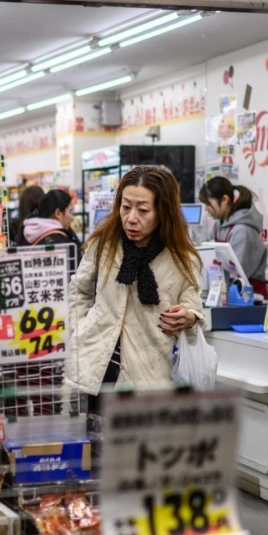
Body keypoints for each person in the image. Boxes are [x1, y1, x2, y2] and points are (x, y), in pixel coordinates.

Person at [64, 166, 205, 404]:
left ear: (163, 212)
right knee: (95, 440)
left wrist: (189, 317)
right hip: (95, 371)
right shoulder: (104, 244)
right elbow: (79, 290)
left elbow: (194, 308)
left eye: (143, 210)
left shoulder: (183, 258)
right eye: (125, 207)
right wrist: (79, 330)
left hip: (149, 376)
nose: (131, 218)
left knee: (140, 442)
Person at [199, 176, 268, 297]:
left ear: (225, 199)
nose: (206, 208)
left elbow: (238, 273)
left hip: (250, 295)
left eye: (208, 203)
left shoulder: (243, 230)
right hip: (228, 291)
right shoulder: (217, 226)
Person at [20, 189, 83, 270]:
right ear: (58, 213)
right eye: (70, 211)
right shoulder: (62, 241)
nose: (71, 217)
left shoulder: (27, 232)